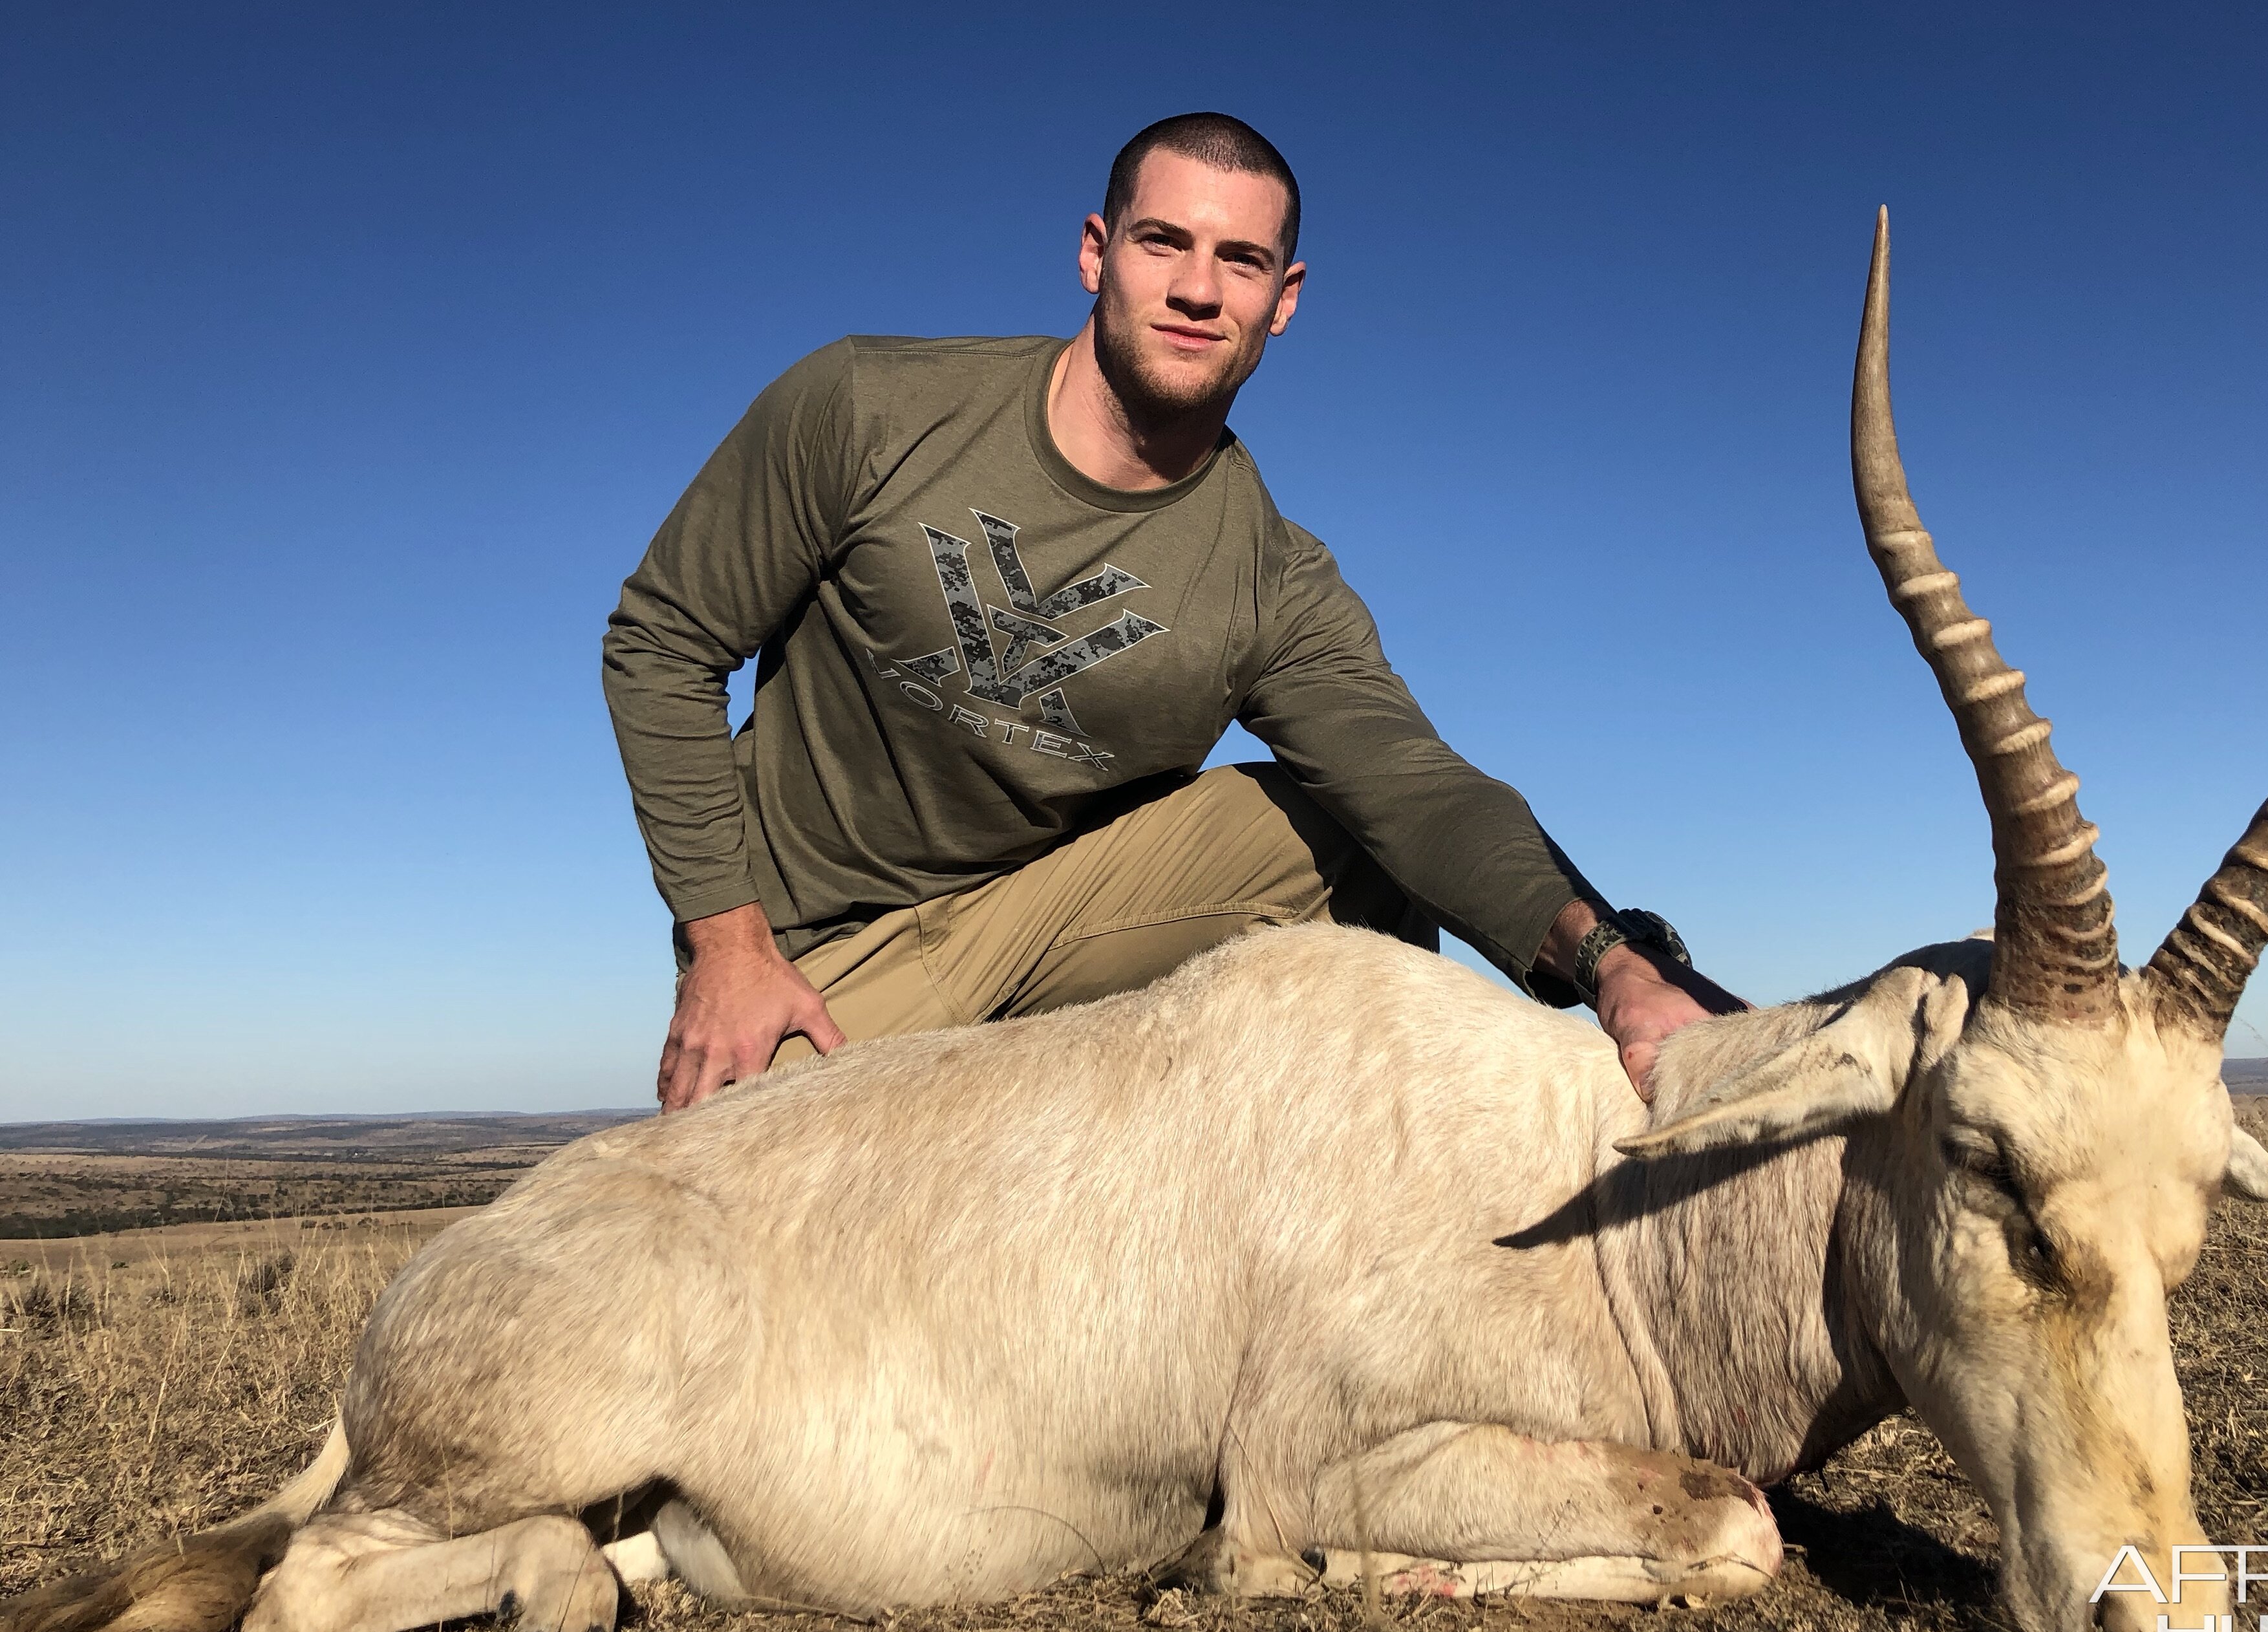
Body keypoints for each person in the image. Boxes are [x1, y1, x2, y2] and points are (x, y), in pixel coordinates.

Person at [604, 113, 1742, 1112]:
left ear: (1282, 301)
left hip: (1050, 926)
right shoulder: (869, 404)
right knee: (741, 1219)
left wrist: (1616, 961)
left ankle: (1334, 1223)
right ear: (1097, 253)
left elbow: (1420, 786)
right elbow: (662, 641)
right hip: (826, 944)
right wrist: (726, 943)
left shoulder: (1268, 573)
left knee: (1359, 831)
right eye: (1165, 242)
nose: (1199, 288)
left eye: (1242, 259)